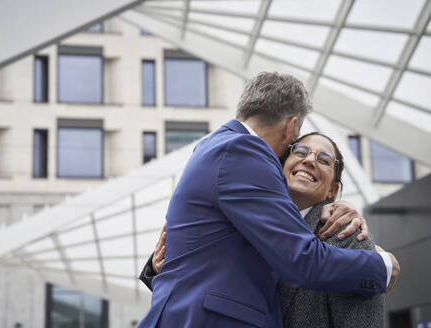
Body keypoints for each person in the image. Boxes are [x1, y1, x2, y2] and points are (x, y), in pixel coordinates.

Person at [137, 72, 398, 328]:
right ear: (289, 127)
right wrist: (383, 265)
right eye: (299, 148)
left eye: (324, 159)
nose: (308, 160)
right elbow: (300, 260)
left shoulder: (346, 232)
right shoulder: (243, 151)